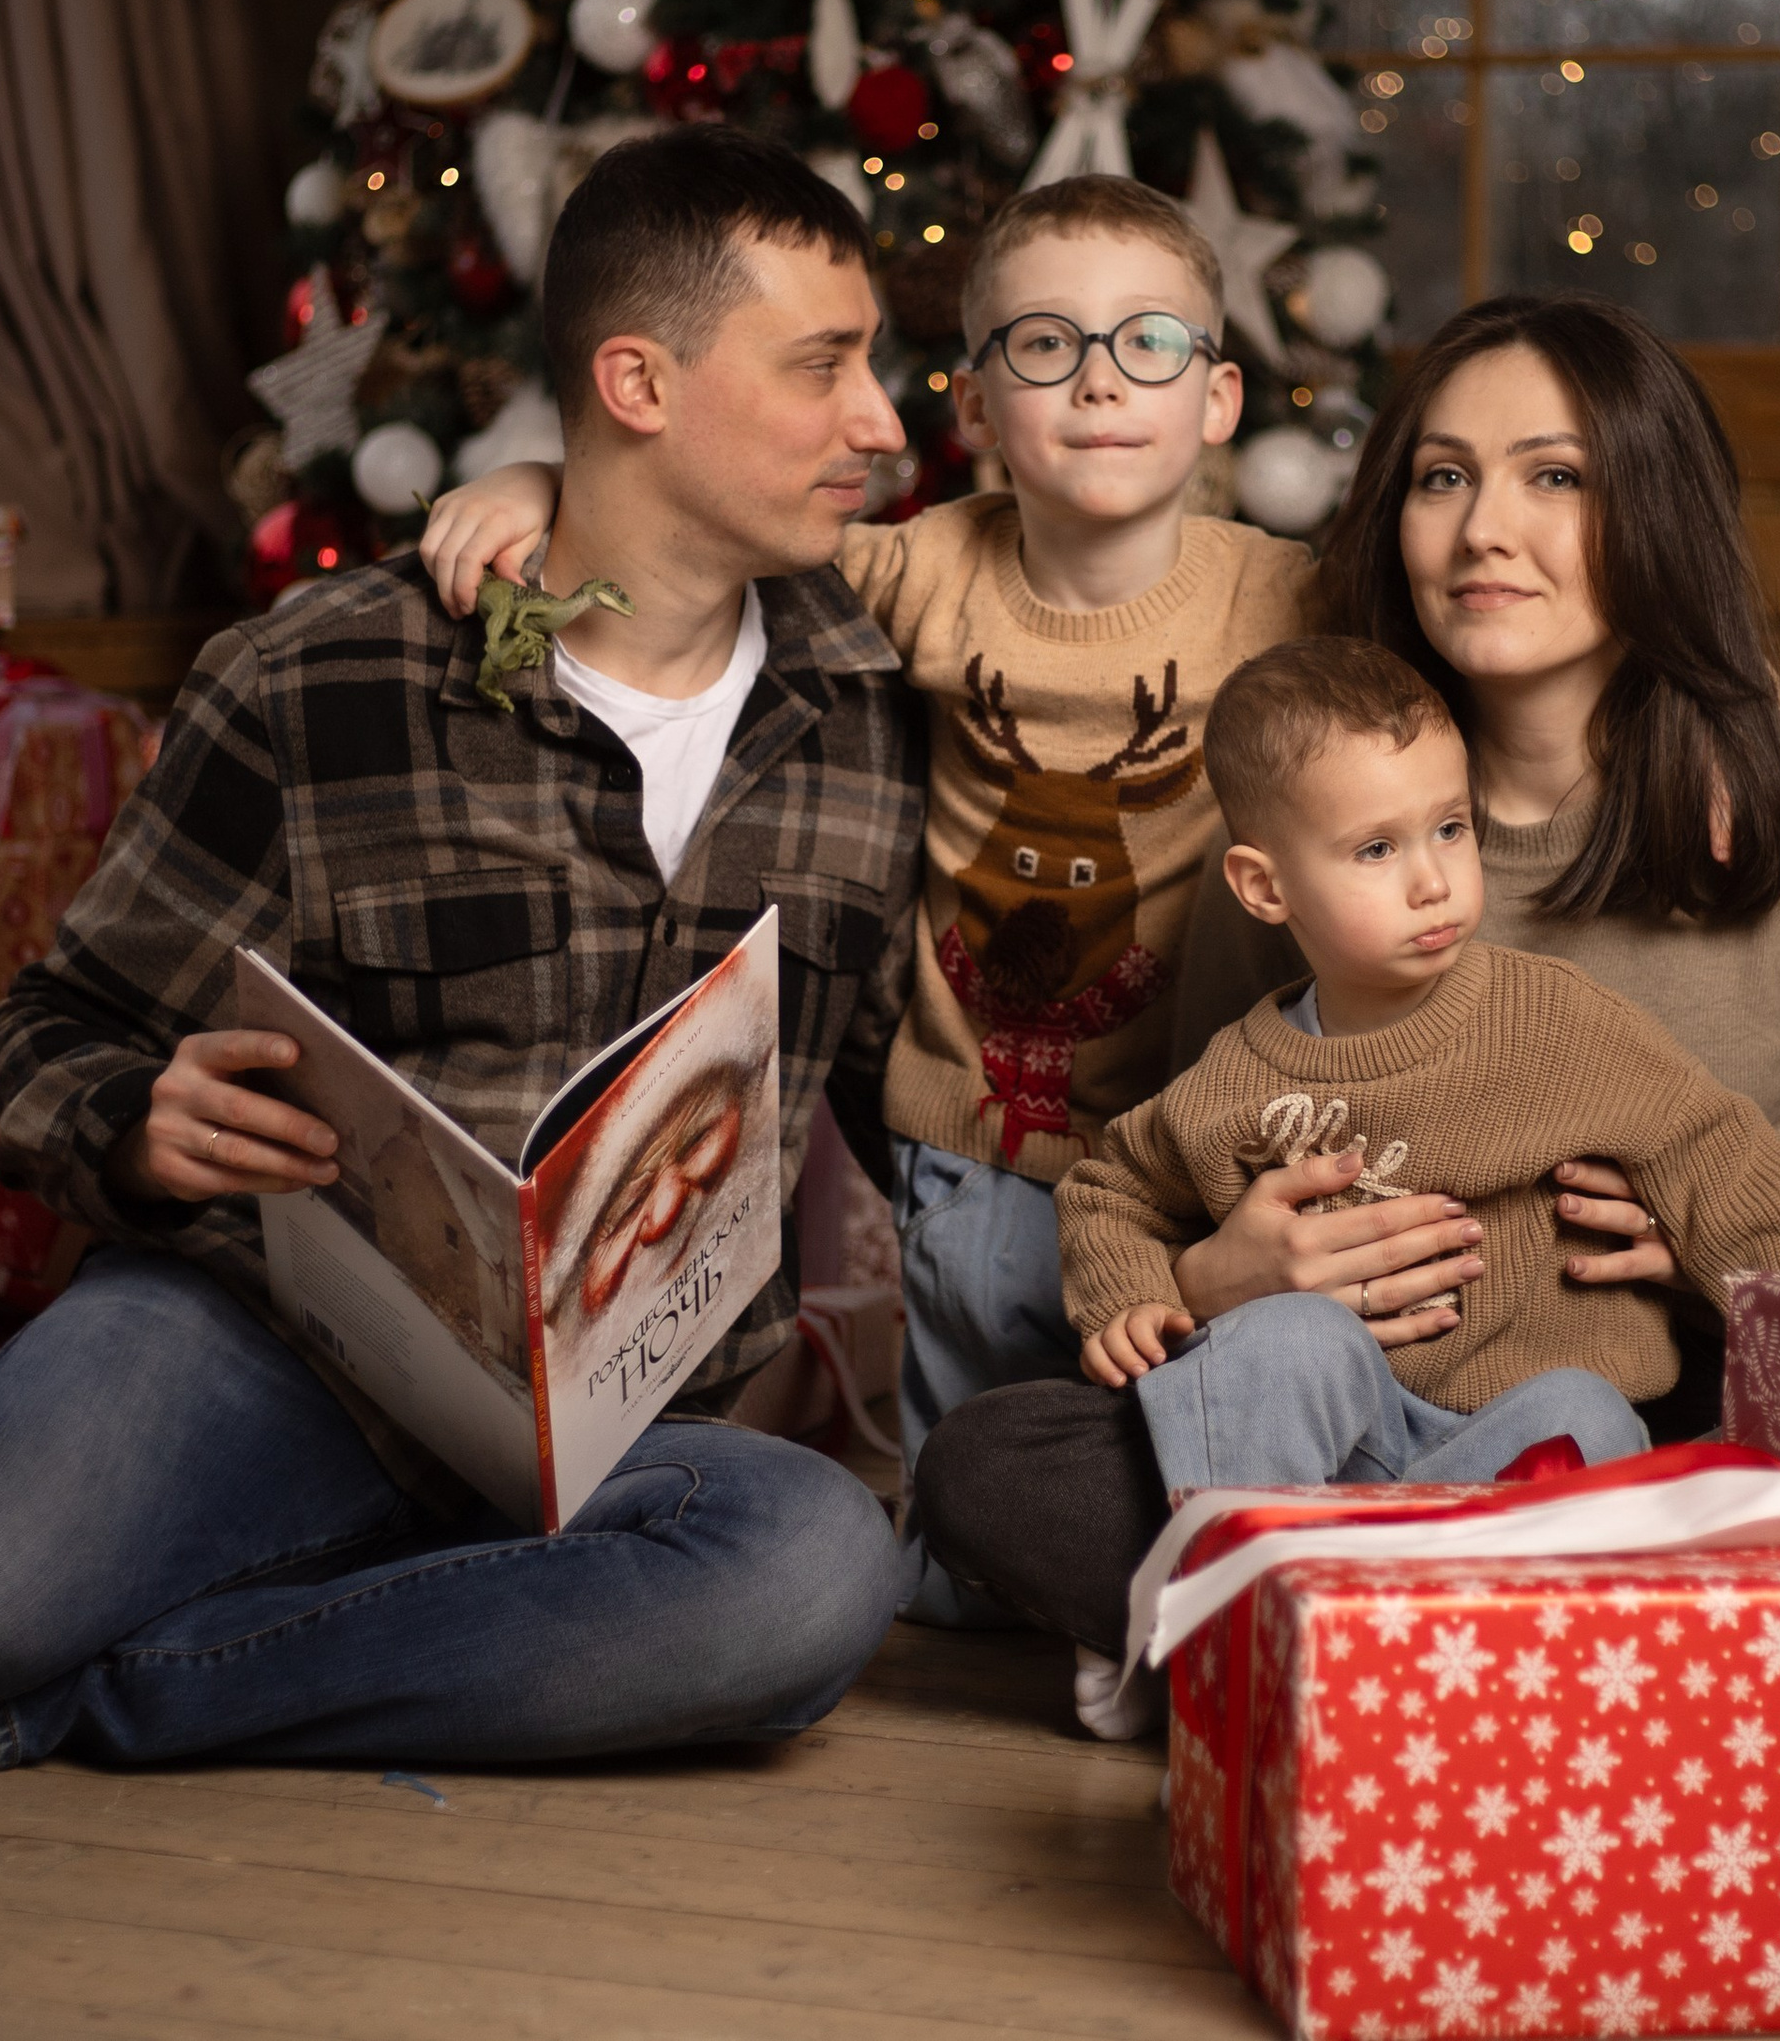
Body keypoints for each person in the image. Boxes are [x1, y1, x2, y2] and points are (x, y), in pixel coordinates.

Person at [0, 127, 924, 1802]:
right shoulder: (331, 675)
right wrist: (133, 1119)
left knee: (811, 1578)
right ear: (638, 380)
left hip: (616, 1441)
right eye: (825, 368)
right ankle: (28, 1628)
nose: (883, 423)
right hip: (266, 1351)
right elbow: (55, 1029)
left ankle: (36, 1706)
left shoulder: (877, 707)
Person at [915, 290, 1780, 1679]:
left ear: (1653, 512)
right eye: (1442, 478)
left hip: (1647, 1420)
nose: (1481, 532)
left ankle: (1280, 1639)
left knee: (1659, 1458)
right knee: (987, 1461)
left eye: (1556, 479)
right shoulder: (1294, 830)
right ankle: (1409, 1643)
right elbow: (1187, 1138)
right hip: (1328, 1414)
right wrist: (1221, 1279)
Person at [420, 175, 1315, 1645]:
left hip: (1206, 1125)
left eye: (1150, 344)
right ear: (972, 404)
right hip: (985, 1137)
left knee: (1194, 1426)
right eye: (1045, 346)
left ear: (1218, 400)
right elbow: (677, 533)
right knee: (981, 1485)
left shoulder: (1293, 595)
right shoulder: (910, 573)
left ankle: (1197, 1626)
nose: (1099, 379)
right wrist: (541, 486)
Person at [1057, 634, 1780, 1499]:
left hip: (1510, 1450)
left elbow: (1721, 1156)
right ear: (1266, 889)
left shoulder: (1556, 1021)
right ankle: (1253, 1580)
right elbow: (1110, 1192)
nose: (1433, 880)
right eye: (1377, 850)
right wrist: (1129, 1299)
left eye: (1451, 828)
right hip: (1327, 1458)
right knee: (1287, 1342)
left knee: (1587, 1410)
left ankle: (1461, 1602)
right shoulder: (1233, 1081)